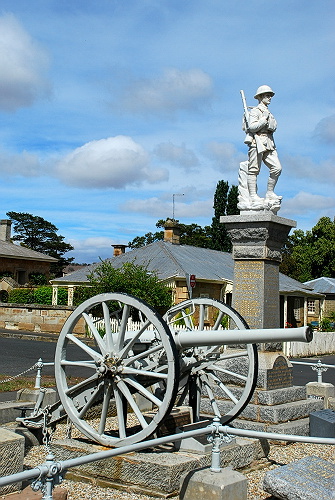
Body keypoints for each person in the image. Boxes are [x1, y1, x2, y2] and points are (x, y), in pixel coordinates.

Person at [243, 85, 282, 206]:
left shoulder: (268, 112)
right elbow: (252, 127)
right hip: (257, 141)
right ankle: (253, 196)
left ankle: (270, 193)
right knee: (254, 169)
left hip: (269, 142)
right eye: (267, 95)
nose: (270, 98)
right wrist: (264, 119)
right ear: (260, 97)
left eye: (270, 95)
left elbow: (274, 127)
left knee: (277, 168)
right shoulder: (255, 111)